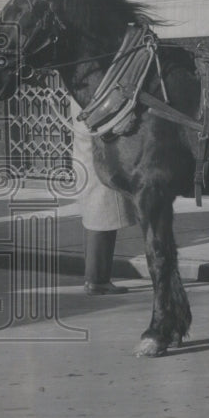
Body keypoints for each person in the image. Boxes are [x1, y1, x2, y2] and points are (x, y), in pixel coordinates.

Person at [70, 98, 136, 295]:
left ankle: (95, 278)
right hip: (99, 161)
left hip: (89, 157)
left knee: (96, 217)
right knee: (102, 215)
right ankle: (97, 280)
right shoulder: (93, 94)